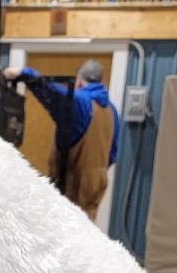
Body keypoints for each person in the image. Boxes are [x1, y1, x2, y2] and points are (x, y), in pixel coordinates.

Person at [14, 56, 116, 219]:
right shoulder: (111, 111)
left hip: (71, 187)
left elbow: (51, 90)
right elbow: (112, 153)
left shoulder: (80, 102)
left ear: (79, 81)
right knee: (86, 227)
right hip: (94, 190)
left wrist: (23, 73)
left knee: (62, 226)